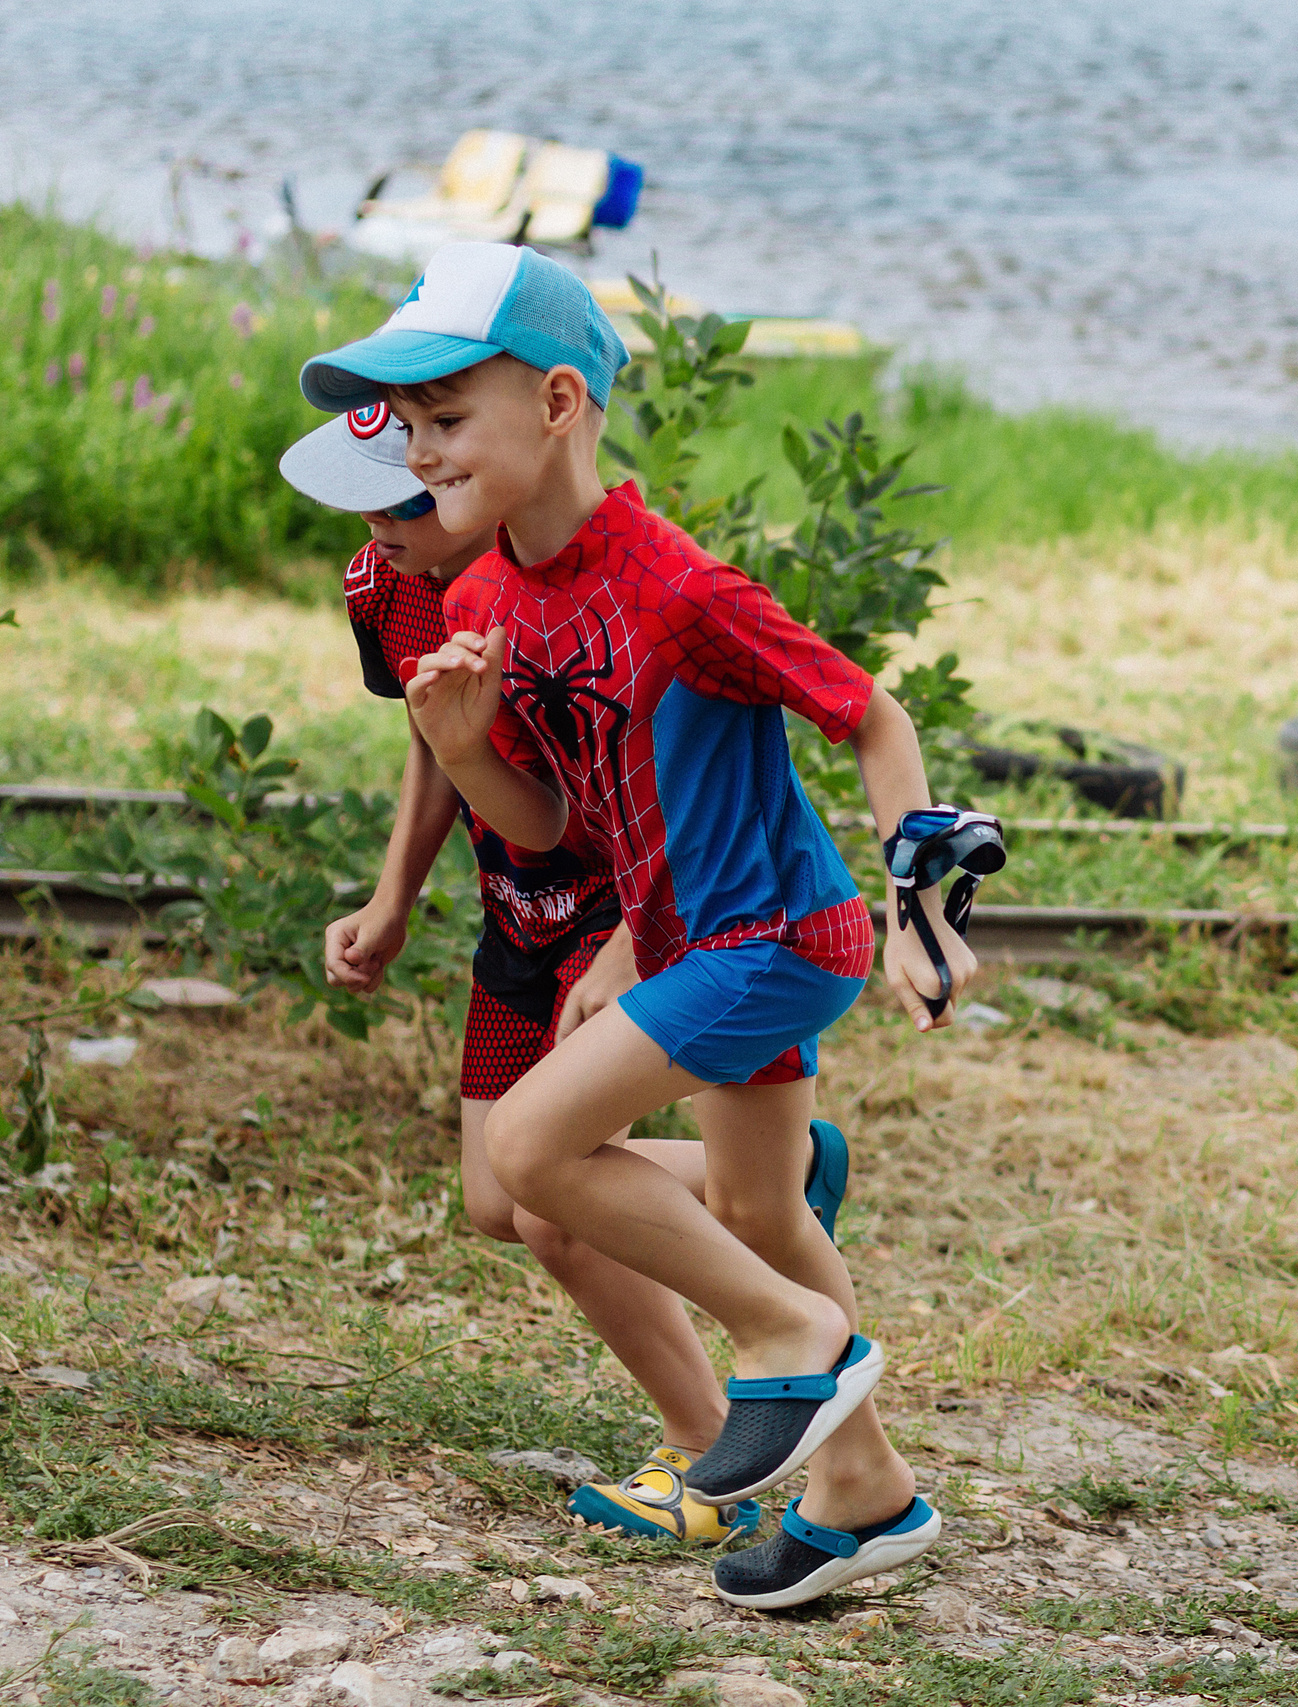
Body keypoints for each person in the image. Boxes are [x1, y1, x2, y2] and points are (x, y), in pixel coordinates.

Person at [299, 241, 971, 1607]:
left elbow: (871, 714)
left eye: (446, 421)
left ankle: (794, 1339)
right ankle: (869, 1494)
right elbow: (549, 825)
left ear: (557, 404)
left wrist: (918, 899)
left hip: (772, 937)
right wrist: (464, 745)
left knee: (538, 1143)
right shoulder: (488, 598)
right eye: (411, 428)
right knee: (755, 1205)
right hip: (685, 946)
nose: (418, 456)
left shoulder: (679, 588)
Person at [283, 401, 855, 1548]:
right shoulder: (388, 582)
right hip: (518, 911)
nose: (383, 521)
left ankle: (709, 1451)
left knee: (550, 1199)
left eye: (405, 495)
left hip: (615, 907)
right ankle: (764, 1175)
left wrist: (631, 946)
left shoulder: (573, 584)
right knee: (501, 1201)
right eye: (370, 495)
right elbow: (432, 733)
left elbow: (667, 797)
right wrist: (395, 894)